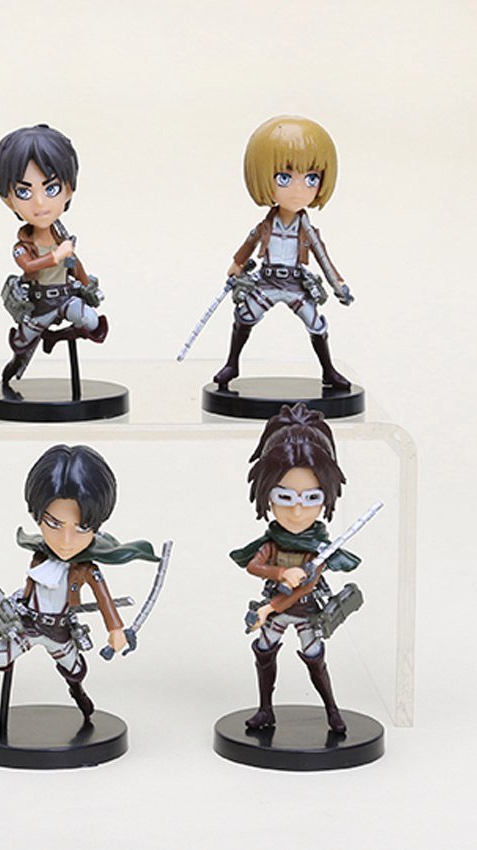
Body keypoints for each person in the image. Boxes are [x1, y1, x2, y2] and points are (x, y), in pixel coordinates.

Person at [0, 444, 158, 720]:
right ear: (35, 516)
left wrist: (116, 630)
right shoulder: (39, 558)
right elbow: (30, 588)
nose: (66, 541)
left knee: (74, 670)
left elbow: (104, 600)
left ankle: (79, 695)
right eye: (54, 524)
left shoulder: (85, 569)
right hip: (28, 624)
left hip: (60, 631)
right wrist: (16, 605)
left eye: (81, 528)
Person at [230, 403, 361, 733]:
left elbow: (307, 585)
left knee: (315, 658)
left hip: (304, 612)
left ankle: (332, 711)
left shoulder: (317, 549)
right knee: (263, 652)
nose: (298, 512)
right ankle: (265, 710)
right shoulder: (273, 542)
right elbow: (254, 565)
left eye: (312, 498)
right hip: (276, 610)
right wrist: (280, 574)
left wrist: (270, 607)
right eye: (285, 497)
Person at [214, 116, 352, 390]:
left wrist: (338, 284)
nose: (299, 190)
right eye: (285, 178)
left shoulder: (307, 230)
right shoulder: (266, 225)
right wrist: (237, 264)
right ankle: (232, 364)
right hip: (266, 280)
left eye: (311, 178)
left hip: (295, 283)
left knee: (316, 324)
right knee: (244, 316)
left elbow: (323, 258)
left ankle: (329, 371)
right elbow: (250, 242)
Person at [0, 125, 107, 385]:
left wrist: (87, 285)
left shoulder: (61, 238)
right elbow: (29, 266)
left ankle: (55, 338)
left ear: (69, 189)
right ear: (8, 200)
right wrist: (56, 256)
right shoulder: (23, 245)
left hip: (65, 297)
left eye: (51, 188)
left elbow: (74, 265)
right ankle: (14, 370)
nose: (40, 203)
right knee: (22, 346)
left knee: (92, 322)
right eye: (24, 192)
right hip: (39, 304)